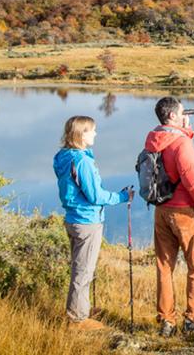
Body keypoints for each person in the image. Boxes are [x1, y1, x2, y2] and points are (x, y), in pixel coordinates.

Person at [53, 115, 133, 330]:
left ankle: (81, 308)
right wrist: (123, 197)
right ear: (82, 133)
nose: (95, 134)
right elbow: (95, 196)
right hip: (87, 221)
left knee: (81, 267)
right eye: (92, 130)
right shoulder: (82, 161)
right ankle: (77, 319)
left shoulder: (63, 156)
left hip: (73, 218)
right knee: (83, 271)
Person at [145, 96, 194, 336]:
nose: (186, 115)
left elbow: (168, 162)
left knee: (164, 267)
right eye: (183, 112)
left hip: (161, 210)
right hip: (184, 211)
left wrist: (186, 131)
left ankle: (167, 320)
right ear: (173, 115)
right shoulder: (181, 143)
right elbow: (192, 179)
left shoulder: (153, 139)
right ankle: (193, 319)